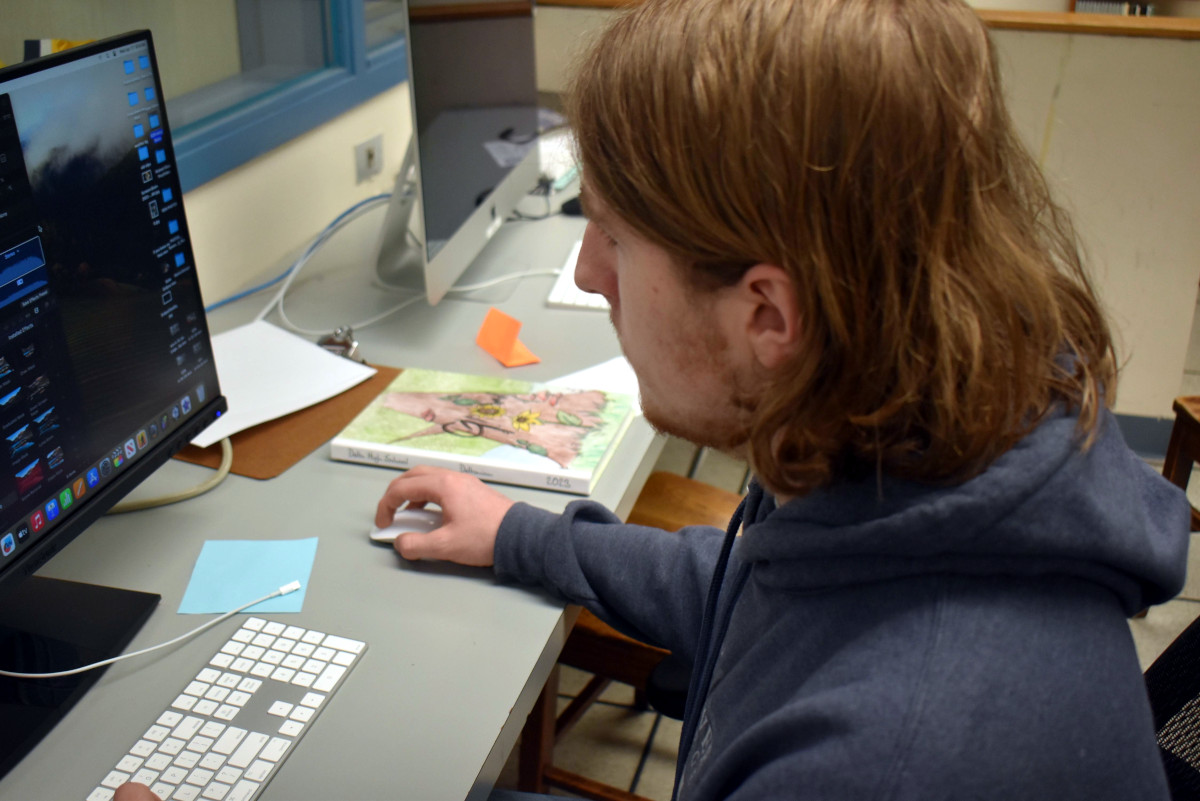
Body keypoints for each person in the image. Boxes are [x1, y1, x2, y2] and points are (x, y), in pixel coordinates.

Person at [117, 0, 1188, 800]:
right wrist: (521, 536)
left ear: (768, 314)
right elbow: (752, 589)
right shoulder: (902, 445)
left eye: (616, 237)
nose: (587, 274)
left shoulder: (887, 762)